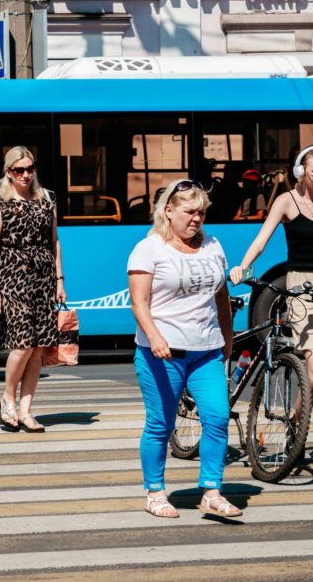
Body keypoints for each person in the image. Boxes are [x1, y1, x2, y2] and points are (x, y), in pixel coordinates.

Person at [229, 145, 313, 471]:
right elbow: (261, 240)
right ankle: (296, 426)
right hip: (301, 287)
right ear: (301, 172)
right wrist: (242, 267)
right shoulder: (286, 201)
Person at [127, 179, 238, 518]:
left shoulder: (213, 245)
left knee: (218, 418)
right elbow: (139, 302)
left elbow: (220, 296)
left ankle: (211, 491)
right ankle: (155, 492)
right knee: (161, 424)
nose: (196, 218)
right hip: (162, 353)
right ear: (169, 211)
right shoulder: (149, 249)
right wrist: (155, 337)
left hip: (206, 351)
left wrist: (228, 335)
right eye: (190, 211)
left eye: (202, 212)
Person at [0, 146, 66, 433]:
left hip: (43, 279)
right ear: (8, 172)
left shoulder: (47, 198)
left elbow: (53, 241)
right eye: (19, 170)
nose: (26, 174)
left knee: (40, 347)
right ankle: (7, 399)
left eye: (29, 168)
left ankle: (26, 410)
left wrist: (59, 282)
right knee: (23, 344)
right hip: (13, 278)